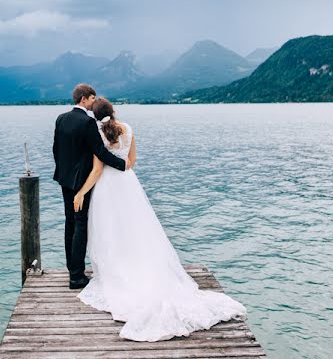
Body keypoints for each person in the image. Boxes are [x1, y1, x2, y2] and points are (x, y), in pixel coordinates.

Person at [73, 97, 247, 342]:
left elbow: (97, 169)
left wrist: (81, 192)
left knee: (110, 232)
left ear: (94, 114)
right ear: (113, 111)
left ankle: (116, 270)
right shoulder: (128, 129)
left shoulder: (98, 135)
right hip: (127, 185)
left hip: (105, 189)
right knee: (136, 229)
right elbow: (131, 162)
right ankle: (141, 266)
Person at [52, 84, 132, 289]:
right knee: (80, 224)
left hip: (64, 178)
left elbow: (56, 149)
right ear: (85, 99)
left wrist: (64, 173)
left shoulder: (61, 118)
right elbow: (101, 153)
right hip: (81, 181)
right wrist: (122, 164)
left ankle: (72, 267)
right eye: (92, 99)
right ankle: (76, 276)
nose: (93, 102)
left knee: (69, 221)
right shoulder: (87, 122)